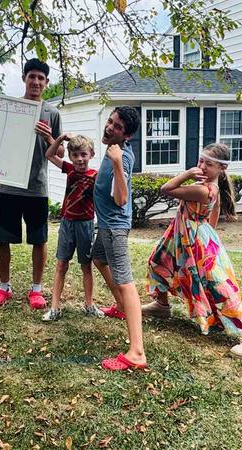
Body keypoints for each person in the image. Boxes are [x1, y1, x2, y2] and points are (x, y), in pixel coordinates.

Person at [143, 143, 242, 358]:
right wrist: (208, 231)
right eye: (200, 161)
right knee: (158, 262)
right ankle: (161, 305)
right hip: (184, 234)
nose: (201, 167)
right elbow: (216, 211)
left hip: (195, 239)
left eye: (208, 164)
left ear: (222, 168)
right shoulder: (213, 187)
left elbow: (166, 189)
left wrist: (186, 174)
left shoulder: (202, 189)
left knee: (218, 285)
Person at [0, 58, 61, 309]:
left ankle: (36, 289)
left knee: (39, 240)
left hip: (37, 187)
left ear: (47, 82)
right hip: (8, 184)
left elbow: (59, 154)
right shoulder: (9, 107)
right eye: (32, 77)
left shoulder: (53, 113)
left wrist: (49, 137)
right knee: (2, 238)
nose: (36, 82)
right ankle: (4, 287)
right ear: (24, 79)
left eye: (41, 78)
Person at [93, 106, 147, 371]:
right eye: (110, 121)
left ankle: (137, 352)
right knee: (98, 258)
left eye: (117, 127)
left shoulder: (121, 156)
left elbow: (121, 198)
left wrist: (115, 162)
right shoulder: (114, 149)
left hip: (114, 227)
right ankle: (119, 305)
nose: (110, 127)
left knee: (127, 283)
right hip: (105, 225)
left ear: (127, 136)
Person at [42, 133, 104, 321]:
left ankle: (89, 304)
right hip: (67, 222)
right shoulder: (68, 169)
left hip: (85, 224)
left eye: (83, 154)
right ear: (70, 157)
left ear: (91, 154)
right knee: (62, 264)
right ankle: (55, 307)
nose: (79, 159)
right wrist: (60, 139)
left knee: (86, 266)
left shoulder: (96, 176)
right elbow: (50, 155)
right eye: (75, 155)